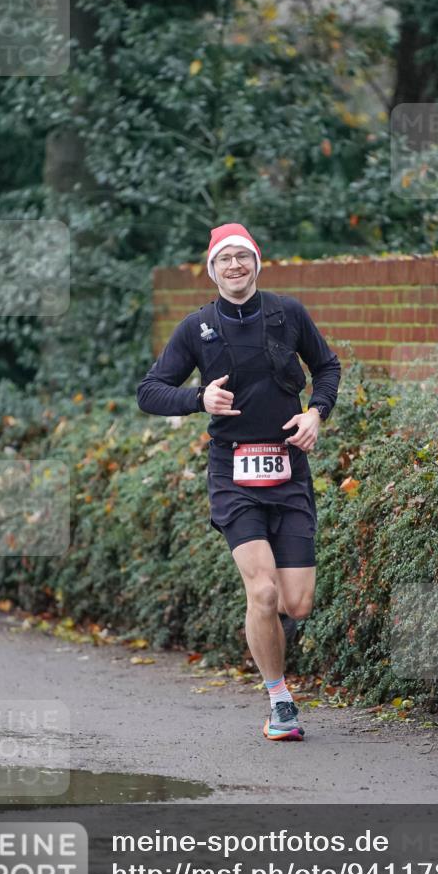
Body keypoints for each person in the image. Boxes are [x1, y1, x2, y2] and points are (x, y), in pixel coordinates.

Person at [136, 223, 341, 741]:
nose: (234, 266)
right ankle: (280, 701)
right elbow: (150, 391)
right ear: (212, 269)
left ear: (255, 263)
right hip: (234, 473)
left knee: (297, 603)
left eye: (242, 258)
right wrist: (197, 399)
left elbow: (328, 366)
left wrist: (316, 413)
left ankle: (264, 631)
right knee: (264, 589)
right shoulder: (196, 327)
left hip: (289, 468)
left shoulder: (287, 313)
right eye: (224, 259)